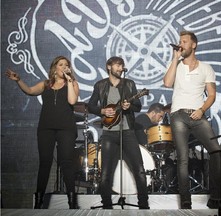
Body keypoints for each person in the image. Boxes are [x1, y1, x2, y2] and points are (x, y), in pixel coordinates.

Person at [5, 56, 79, 209]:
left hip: (66, 128)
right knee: (45, 163)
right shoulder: (46, 84)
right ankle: (38, 203)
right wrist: (19, 80)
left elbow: (72, 101)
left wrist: (70, 80)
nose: (64, 67)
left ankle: (72, 203)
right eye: (61, 64)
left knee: (66, 162)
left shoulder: (72, 83)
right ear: (54, 68)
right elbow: (31, 91)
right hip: (46, 128)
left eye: (67, 65)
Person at [163, 30, 221, 209]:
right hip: (178, 115)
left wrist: (202, 109)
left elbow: (211, 95)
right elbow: (167, 83)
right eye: (180, 41)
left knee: (216, 151)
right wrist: (175, 58)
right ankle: (186, 201)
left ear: (194, 45)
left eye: (185, 41)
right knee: (182, 158)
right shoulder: (177, 65)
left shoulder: (206, 68)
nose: (181, 44)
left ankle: (216, 197)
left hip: (197, 114)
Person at [88, 56, 149, 209]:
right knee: (105, 173)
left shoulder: (129, 84)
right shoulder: (100, 85)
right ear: (109, 67)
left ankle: (144, 205)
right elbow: (90, 106)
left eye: (122, 65)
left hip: (128, 131)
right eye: (117, 65)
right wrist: (102, 110)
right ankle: (107, 206)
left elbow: (138, 107)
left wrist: (130, 106)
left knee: (139, 169)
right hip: (109, 133)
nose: (120, 68)